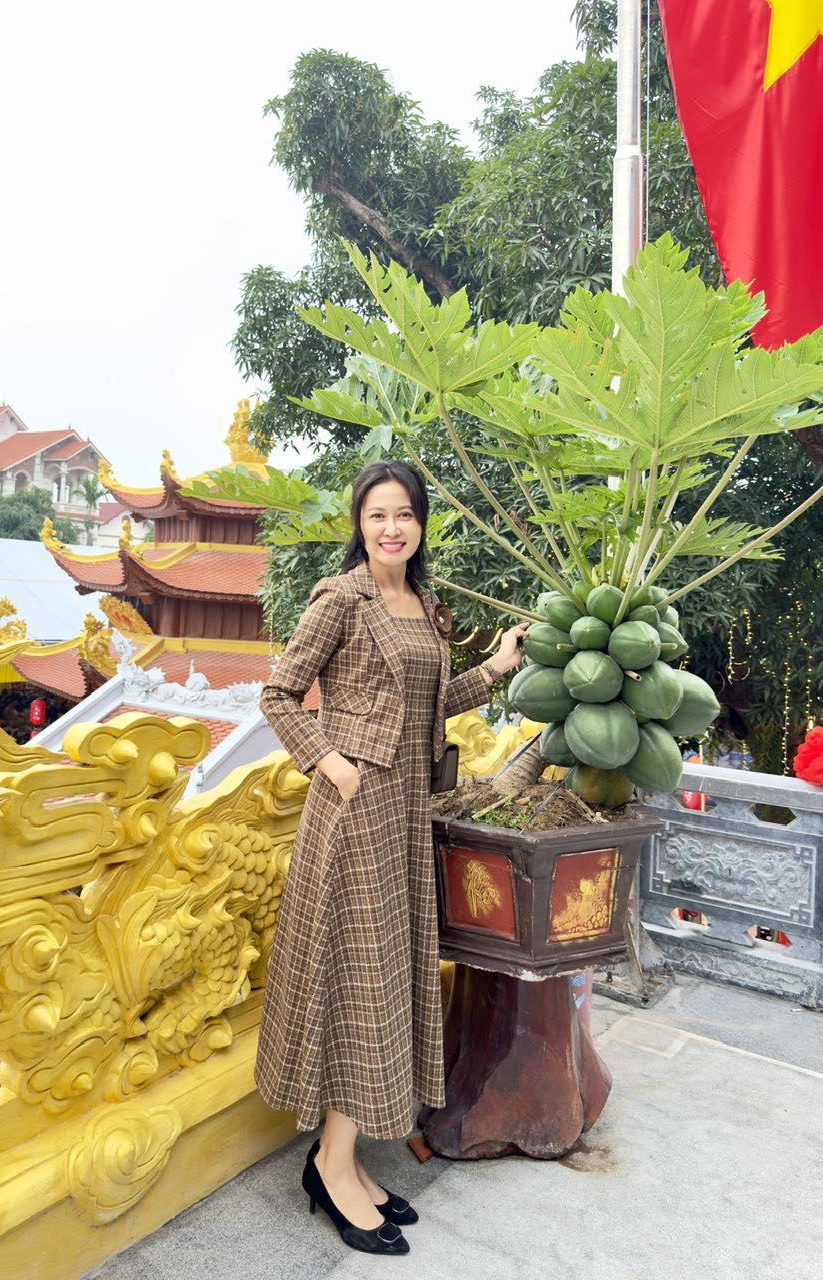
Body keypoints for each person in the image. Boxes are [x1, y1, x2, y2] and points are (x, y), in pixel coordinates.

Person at [255, 460, 527, 1256]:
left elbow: (426, 707)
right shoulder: (343, 599)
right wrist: (328, 762)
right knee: (363, 981)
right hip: (353, 813)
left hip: (405, 815)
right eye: (377, 514)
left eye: (404, 513)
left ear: (420, 523)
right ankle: (332, 1166)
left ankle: (339, 1160)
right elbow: (278, 693)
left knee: (382, 980)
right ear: (359, 523)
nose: (391, 527)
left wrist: (496, 667)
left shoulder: (422, 606)